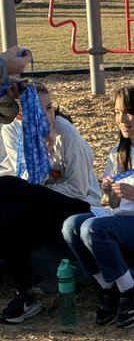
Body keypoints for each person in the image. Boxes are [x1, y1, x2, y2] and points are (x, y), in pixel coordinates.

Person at [61, 84, 134, 329]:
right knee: (71, 225)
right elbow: (114, 205)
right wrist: (109, 192)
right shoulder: (117, 153)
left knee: (94, 228)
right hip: (123, 219)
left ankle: (131, 288)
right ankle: (107, 284)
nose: (121, 120)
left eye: (129, 113)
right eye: (116, 113)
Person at [0, 81, 101, 324]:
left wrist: (40, 183)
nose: (46, 116)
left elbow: (78, 188)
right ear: (20, 114)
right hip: (38, 202)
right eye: (37, 110)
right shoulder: (13, 129)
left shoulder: (65, 132)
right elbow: (24, 177)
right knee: (12, 214)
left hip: (79, 204)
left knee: (7, 188)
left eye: (50, 108)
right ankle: (25, 295)